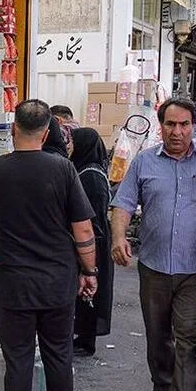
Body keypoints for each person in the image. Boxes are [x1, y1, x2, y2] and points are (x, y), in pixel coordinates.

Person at [0, 100, 98, 391]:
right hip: (57, 281)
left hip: (14, 283)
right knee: (58, 355)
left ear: (14, 129)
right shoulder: (62, 168)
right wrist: (89, 270)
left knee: (18, 360)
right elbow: (82, 227)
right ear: (47, 134)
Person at [110, 98, 196, 391]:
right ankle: (161, 384)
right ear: (160, 126)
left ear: (195, 125)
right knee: (157, 333)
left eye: (184, 124)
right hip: (154, 264)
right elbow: (123, 203)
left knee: (188, 337)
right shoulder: (144, 162)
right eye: (170, 125)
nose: (177, 131)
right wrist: (118, 237)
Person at [70, 128, 114, 357]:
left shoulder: (91, 176)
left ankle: (86, 341)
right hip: (92, 240)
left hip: (93, 242)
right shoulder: (88, 171)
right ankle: (82, 336)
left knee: (89, 292)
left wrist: (89, 256)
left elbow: (91, 218)